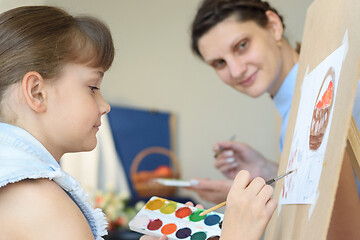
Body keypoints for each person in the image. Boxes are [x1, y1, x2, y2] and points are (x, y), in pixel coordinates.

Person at [0, 5, 276, 240]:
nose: (104, 105)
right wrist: (238, 233)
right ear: (37, 92)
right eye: (93, 87)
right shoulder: (37, 201)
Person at [187, 0, 360, 239]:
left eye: (242, 45)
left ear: (274, 26)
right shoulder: (292, 106)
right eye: (220, 63)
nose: (236, 71)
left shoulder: (322, 93)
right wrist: (264, 170)